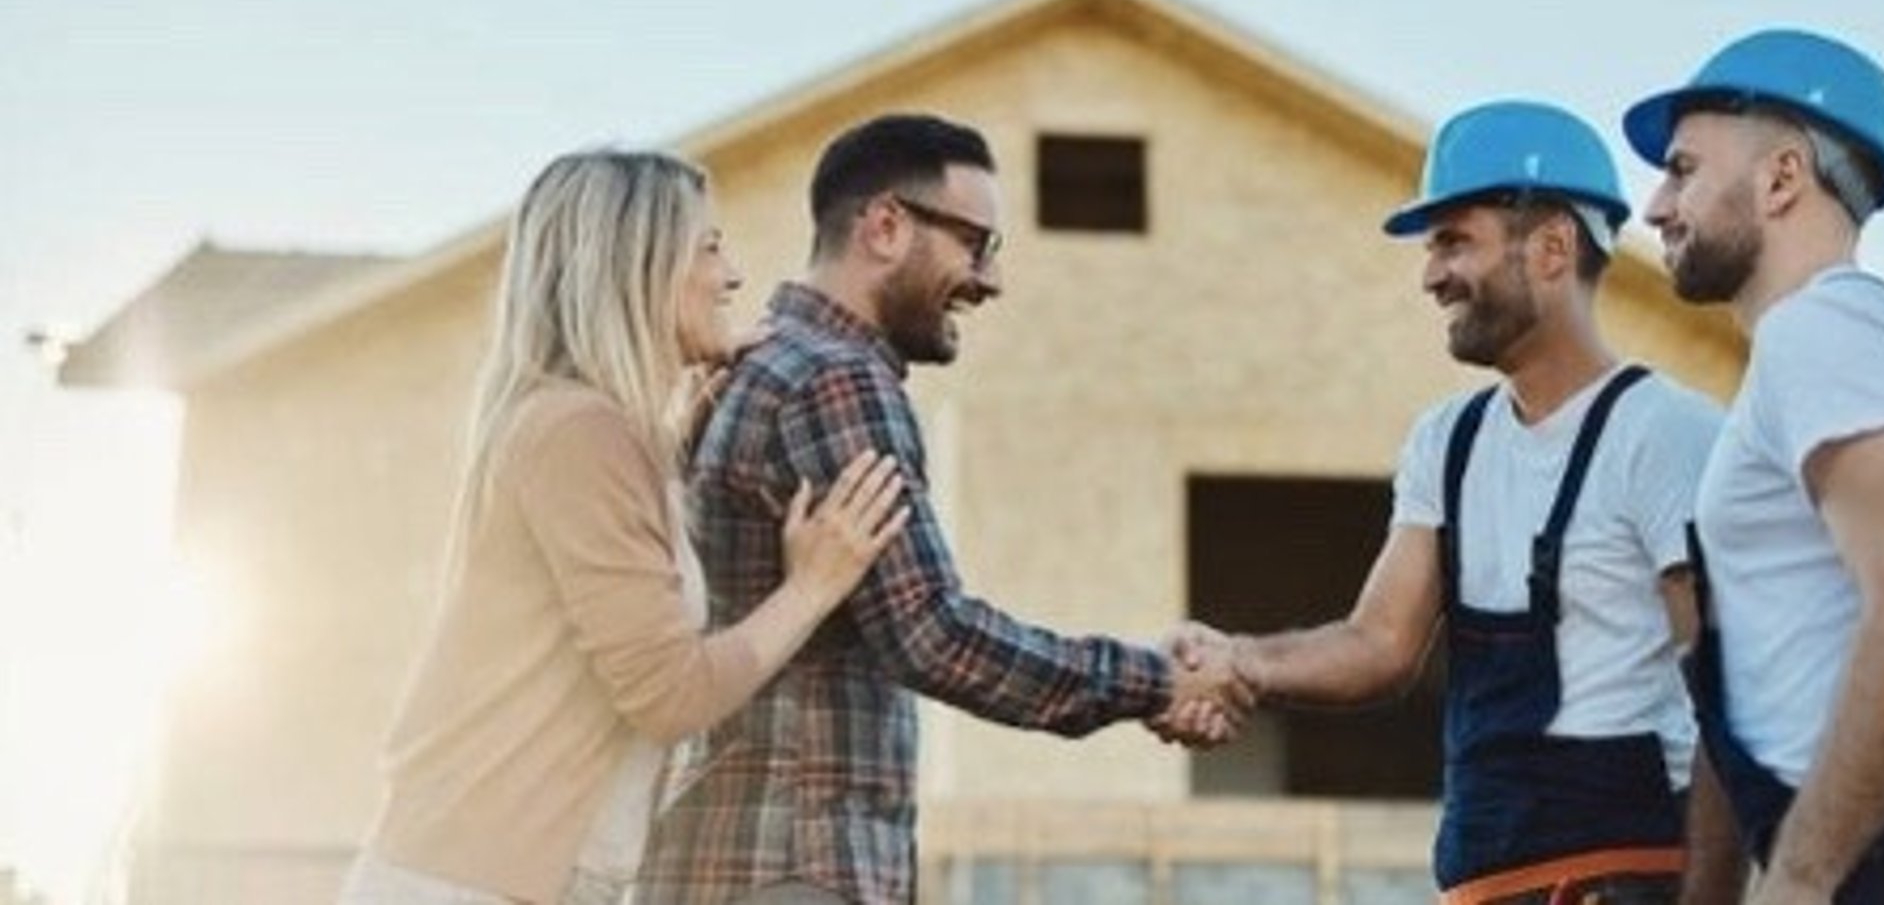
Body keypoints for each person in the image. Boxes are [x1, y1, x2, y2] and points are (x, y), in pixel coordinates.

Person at [636, 113, 1250, 905]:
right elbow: (931, 632)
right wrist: (1157, 681)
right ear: (886, 226)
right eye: (977, 243)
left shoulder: (750, 366)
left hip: (723, 854)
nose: (990, 279)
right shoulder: (837, 381)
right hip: (795, 861)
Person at [1171, 100, 1722, 902]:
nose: (1431, 275)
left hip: (1626, 880)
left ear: (1553, 247)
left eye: (1454, 241)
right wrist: (1239, 660)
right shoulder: (1448, 442)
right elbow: (1378, 642)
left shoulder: (1668, 434)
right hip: (1480, 882)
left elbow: (1728, 691)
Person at [338, 149, 910, 905]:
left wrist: (691, 392)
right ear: (638, 266)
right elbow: (670, 693)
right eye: (708, 247)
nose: (734, 275)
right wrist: (812, 588)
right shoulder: (580, 433)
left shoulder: (579, 428)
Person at [1623, 28, 1884, 904]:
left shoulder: (1821, 331)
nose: (1654, 205)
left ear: (1783, 177)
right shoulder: (1849, 345)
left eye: (1682, 169)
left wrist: (1800, 872)